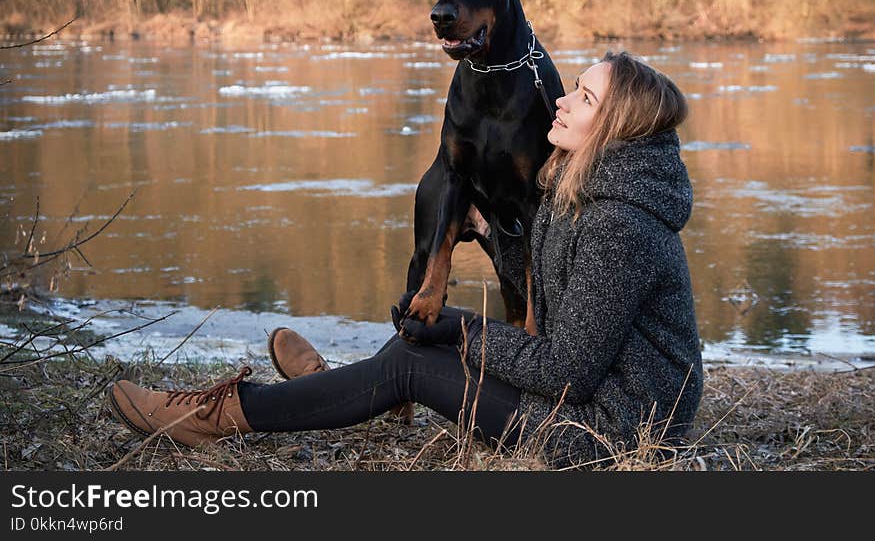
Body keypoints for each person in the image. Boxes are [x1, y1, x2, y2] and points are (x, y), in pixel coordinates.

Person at [106, 51, 703, 469]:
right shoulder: (582, 187)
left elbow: (565, 372)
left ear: (615, 128)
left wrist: (465, 328)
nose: (563, 99)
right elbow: (553, 297)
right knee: (417, 341)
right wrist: (474, 263)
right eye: (574, 86)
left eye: (585, 96)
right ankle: (332, 390)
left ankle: (220, 416)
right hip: (589, 400)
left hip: (609, 433)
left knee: (411, 367)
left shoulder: (621, 224)